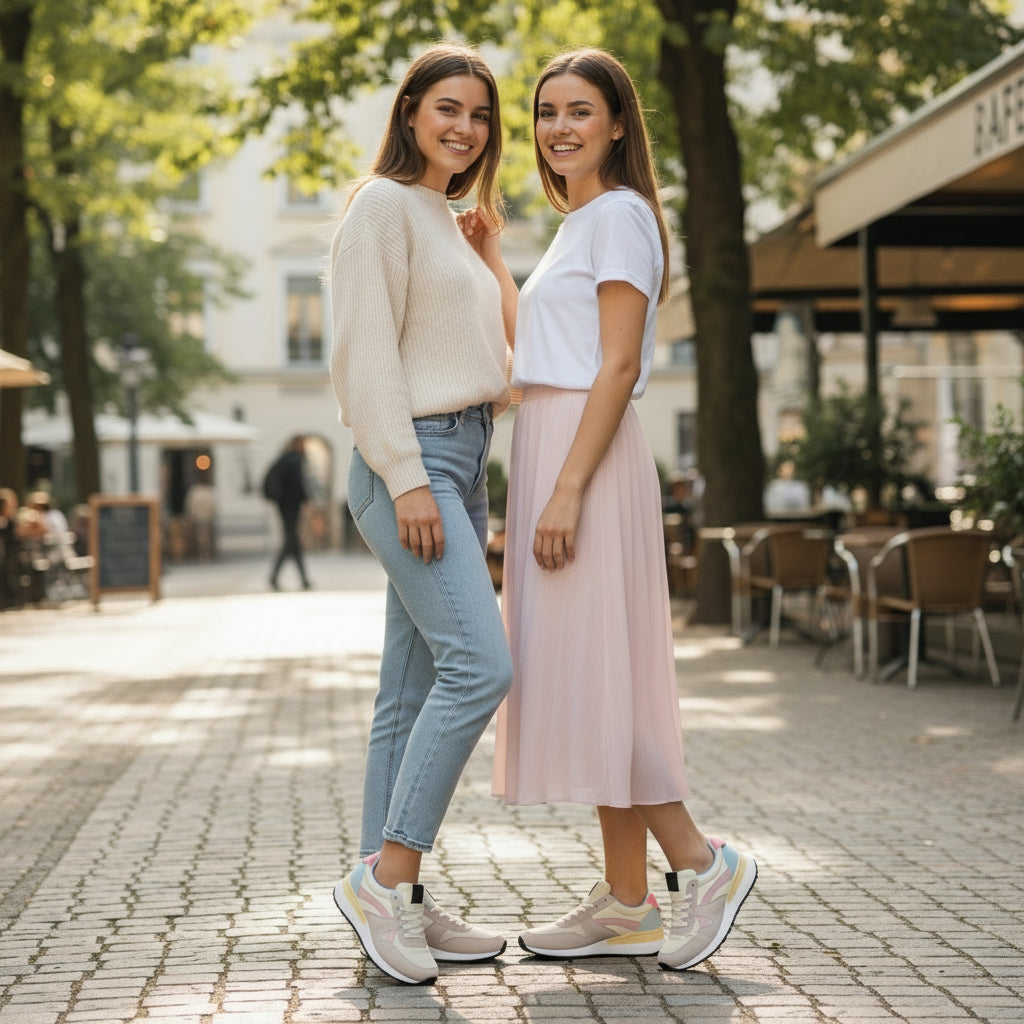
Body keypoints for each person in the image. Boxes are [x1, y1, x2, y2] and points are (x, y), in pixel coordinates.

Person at [486, 49, 757, 972]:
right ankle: (630, 903)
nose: (559, 127)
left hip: (586, 460)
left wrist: (565, 487)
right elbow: (540, 354)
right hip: (557, 445)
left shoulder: (623, 217)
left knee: (607, 675)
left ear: (616, 124)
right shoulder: (578, 224)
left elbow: (616, 365)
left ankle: (702, 863)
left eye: (579, 111)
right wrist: (489, 255)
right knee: (591, 675)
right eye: (546, 112)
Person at [327, 43, 517, 985]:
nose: (465, 128)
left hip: (466, 459)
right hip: (411, 461)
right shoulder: (381, 208)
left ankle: (391, 903)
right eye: (448, 108)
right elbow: (363, 356)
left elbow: (504, 365)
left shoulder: (447, 220)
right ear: (410, 113)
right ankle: (385, 879)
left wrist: (488, 254)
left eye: (480, 115)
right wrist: (404, 476)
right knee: (483, 666)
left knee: (405, 698)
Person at [268, 435, 312, 590]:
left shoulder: (285, 458)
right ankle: (274, 577)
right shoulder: (294, 460)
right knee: (290, 541)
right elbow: (297, 483)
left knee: (292, 542)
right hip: (290, 506)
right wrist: (306, 499)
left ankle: (303, 579)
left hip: (284, 505)